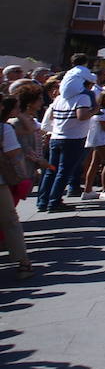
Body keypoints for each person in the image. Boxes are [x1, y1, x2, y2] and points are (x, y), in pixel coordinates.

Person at [35, 72, 94, 213]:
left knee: (51, 171)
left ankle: (43, 201)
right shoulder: (83, 98)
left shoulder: (60, 98)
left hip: (56, 136)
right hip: (73, 138)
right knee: (63, 172)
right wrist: (95, 110)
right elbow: (81, 116)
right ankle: (54, 202)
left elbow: (51, 116)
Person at [0, 96, 33, 279]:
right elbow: (13, 153)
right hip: (2, 181)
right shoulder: (4, 129)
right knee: (10, 220)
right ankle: (23, 262)